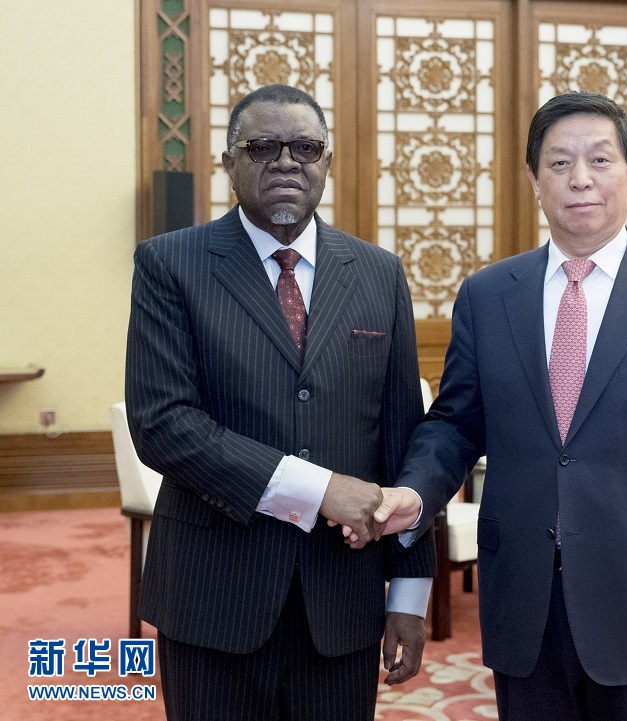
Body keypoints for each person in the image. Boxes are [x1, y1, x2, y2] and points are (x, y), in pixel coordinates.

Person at [377, 92, 627, 720]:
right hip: (524, 599)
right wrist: (415, 494)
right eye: (558, 163)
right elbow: (456, 424)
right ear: (534, 179)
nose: (580, 178)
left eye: (600, 159)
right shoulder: (488, 295)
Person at [125, 84, 435, 721]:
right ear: (229, 162)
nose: (287, 162)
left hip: (342, 602)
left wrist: (408, 593)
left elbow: (404, 439)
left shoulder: (379, 272)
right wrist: (320, 490)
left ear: (327, 162)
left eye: (306, 148)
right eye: (263, 147)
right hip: (213, 597)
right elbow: (164, 425)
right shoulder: (170, 263)